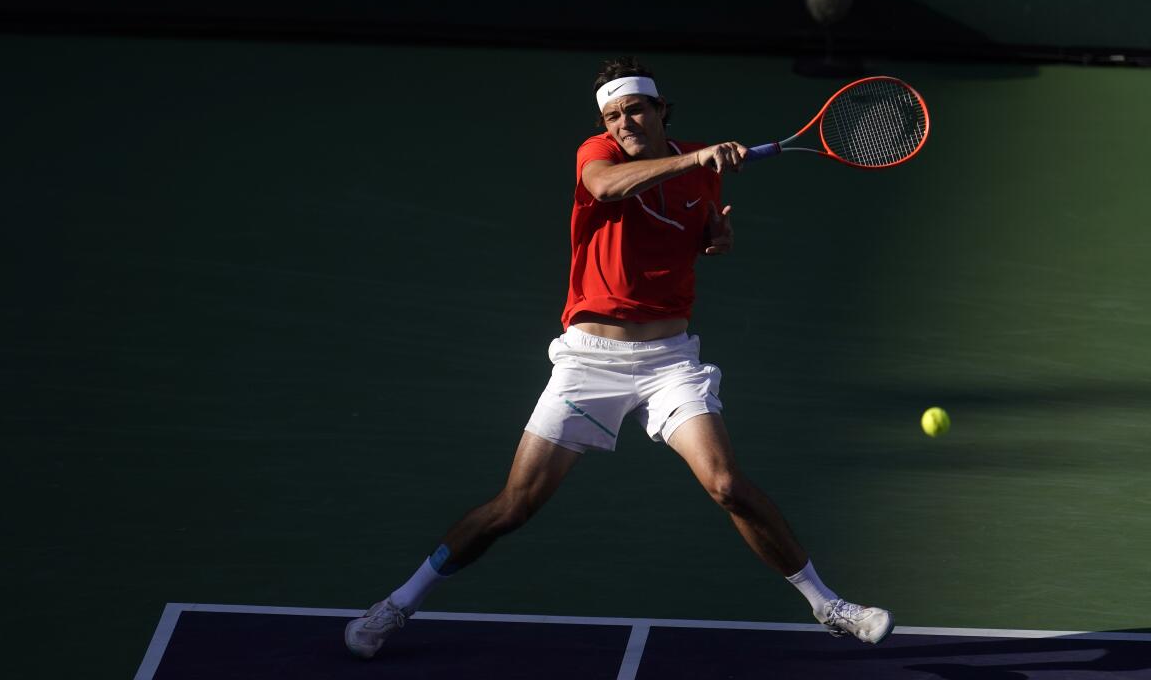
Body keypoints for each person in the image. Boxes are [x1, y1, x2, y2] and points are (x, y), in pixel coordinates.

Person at [345, 57, 893, 658]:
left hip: (670, 361)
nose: (623, 122)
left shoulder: (703, 169)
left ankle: (827, 605)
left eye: (635, 109)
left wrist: (715, 239)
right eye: (612, 115)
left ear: (662, 111)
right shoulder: (597, 156)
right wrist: (694, 157)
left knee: (727, 484)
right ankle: (397, 604)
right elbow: (607, 187)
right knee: (514, 506)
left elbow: (698, 231)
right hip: (589, 359)